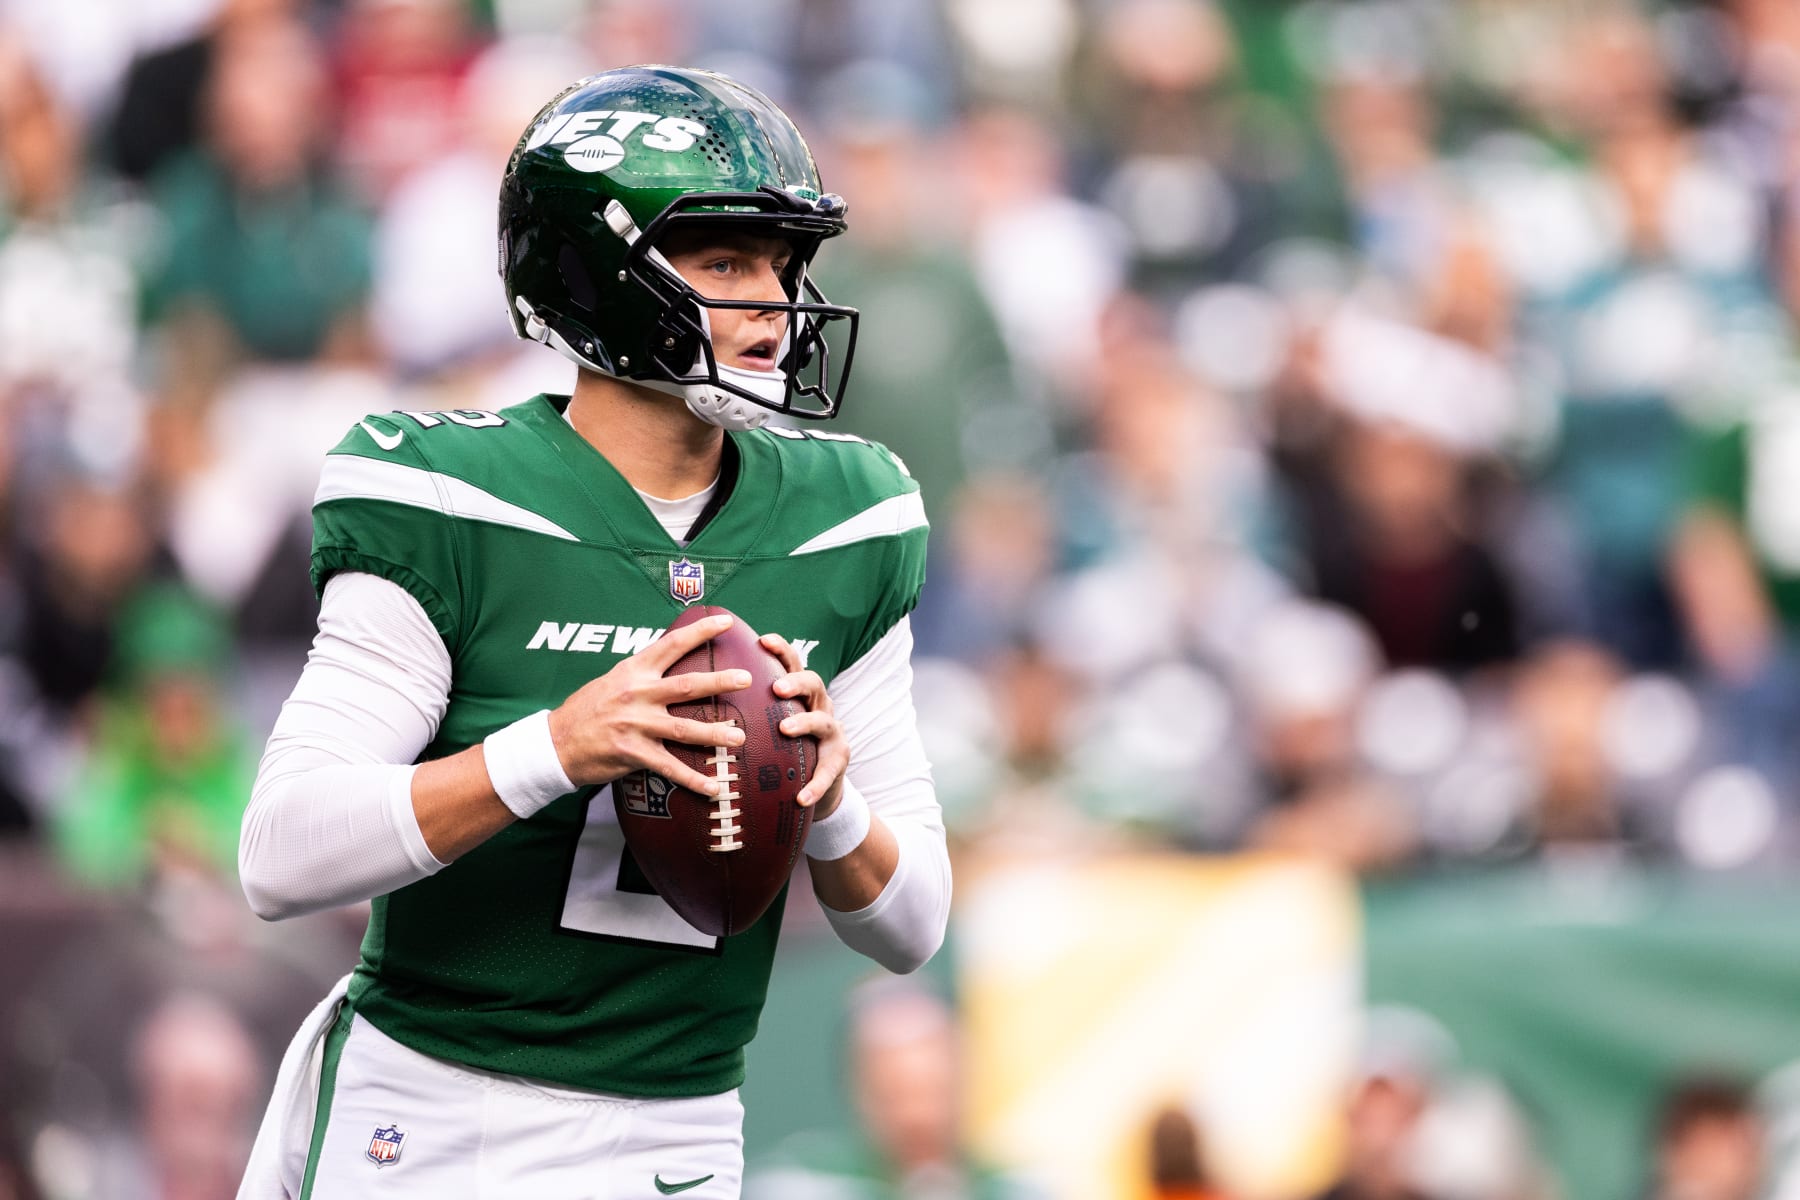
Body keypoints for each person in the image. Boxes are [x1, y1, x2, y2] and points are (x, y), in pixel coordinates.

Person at [234, 65, 951, 1198]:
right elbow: (280, 853)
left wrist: (829, 802)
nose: (773, 302)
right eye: (724, 261)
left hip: (683, 1126)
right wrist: (556, 750)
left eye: (782, 264)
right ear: (597, 275)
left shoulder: (847, 518)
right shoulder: (450, 493)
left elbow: (912, 925)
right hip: (437, 1108)